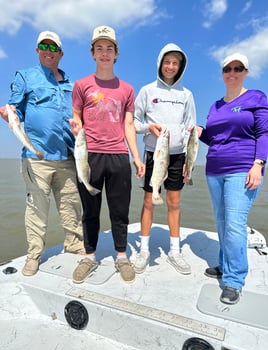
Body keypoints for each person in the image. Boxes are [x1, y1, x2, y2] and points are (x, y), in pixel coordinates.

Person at [0, 31, 85, 276]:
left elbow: (81, 118)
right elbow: (15, 109)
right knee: (36, 210)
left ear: (61, 53)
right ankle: (34, 255)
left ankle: (75, 246)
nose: (48, 50)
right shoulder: (25, 77)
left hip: (68, 158)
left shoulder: (72, 86)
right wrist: (8, 114)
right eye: (43, 46)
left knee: (71, 207)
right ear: (37, 50)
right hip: (36, 158)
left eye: (53, 46)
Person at [70, 25, 145, 284]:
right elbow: (77, 116)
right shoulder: (81, 85)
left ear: (116, 54)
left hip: (118, 156)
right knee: (90, 211)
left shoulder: (127, 89)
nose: (104, 53)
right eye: (99, 48)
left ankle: (121, 255)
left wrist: (135, 156)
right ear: (92, 53)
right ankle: (89, 257)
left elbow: (128, 125)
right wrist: (76, 125)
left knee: (119, 210)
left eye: (109, 49)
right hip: (89, 156)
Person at [197, 53, 268, 304]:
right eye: (228, 68)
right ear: (223, 73)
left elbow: (264, 132)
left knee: (235, 223)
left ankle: (234, 280)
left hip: (242, 168)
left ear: (246, 72)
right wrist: (199, 132)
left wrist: (258, 165)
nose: (233, 72)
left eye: (238, 68)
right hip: (214, 168)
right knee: (221, 221)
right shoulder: (215, 105)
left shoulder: (256, 97)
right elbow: (214, 138)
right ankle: (225, 264)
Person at [133, 43, 196, 275]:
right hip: (155, 153)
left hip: (178, 155)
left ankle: (174, 251)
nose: (170, 66)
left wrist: (190, 163)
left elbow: (190, 129)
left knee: (174, 203)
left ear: (180, 67)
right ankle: (144, 250)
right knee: (149, 201)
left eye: (175, 63)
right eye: (167, 61)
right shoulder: (147, 91)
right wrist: (149, 127)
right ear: (160, 63)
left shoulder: (186, 95)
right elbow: (134, 122)